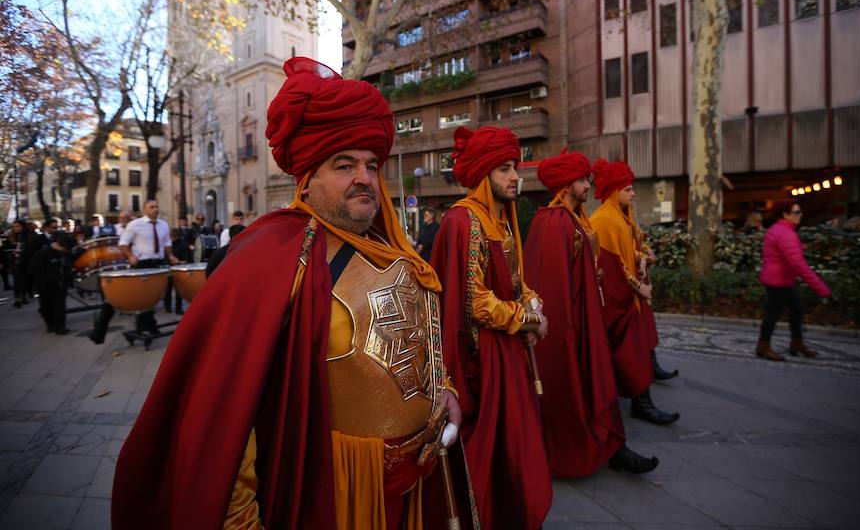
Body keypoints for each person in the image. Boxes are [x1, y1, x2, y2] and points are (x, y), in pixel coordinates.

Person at [112, 57, 469, 530]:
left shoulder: (392, 251)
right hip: (334, 494)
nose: (364, 178)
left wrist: (442, 390)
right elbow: (225, 416)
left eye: (371, 165)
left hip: (417, 482)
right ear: (306, 178)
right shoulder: (269, 260)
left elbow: (417, 344)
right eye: (344, 165)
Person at [429, 125, 552, 530]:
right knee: (493, 449)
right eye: (503, 168)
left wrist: (534, 304)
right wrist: (530, 320)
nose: (515, 176)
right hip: (482, 361)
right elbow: (475, 302)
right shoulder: (464, 222)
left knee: (515, 447)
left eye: (514, 167)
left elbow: (516, 282)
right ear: (483, 174)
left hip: (509, 351)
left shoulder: (501, 219)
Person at [525, 149, 659, 476]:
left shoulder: (576, 218)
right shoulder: (553, 222)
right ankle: (591, 450)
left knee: (599, 383)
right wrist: (569, 333)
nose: (588, 186)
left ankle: (614, 447)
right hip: (571, 327)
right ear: (567, 183)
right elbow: (554, 286)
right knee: (576, 388)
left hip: (588, 320)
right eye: (583, 180)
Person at [590, 160, 680, 425]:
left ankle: (641, 400)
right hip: (620, 301)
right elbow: (613, 265)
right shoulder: (604, 219)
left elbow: (627, 253)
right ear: (615, 190)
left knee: (634, 353)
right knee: (629, 355)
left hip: (631, 298)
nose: (633, 193)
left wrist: (643, 256)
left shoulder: (620, 215)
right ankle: (640, 404)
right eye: (628, 188)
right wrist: (638, 286)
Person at [89, 201, 179, 344]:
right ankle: (146, 325)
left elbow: (167, 244)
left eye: (157, 207)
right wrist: (131, 256)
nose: (156, 209)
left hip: (158, 264)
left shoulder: (163, 225)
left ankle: (148, 324)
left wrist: (171, 256)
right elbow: (123, 243)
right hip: (141, 264)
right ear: (144, 210)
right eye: (152, 207)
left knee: (151, 296)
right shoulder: (135, 225)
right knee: (133, 296)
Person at [756, 200, 831, 360]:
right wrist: (820, 287)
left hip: (782, 278)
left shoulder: (780, 230)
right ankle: (763, 346)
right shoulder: (785, 233)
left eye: (800, 212)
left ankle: (796, 343)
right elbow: (798, 264)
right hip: (778, 280)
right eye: (796, 212)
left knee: (797, 310)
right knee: (773, 314)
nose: (800, 215)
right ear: (785, 214)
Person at [28, 232, 76, 334]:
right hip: (44, 285)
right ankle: (50, 325)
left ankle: (60, 326)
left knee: (60, 306)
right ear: (59, 245)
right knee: (46, 306)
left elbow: (70, 260)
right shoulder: (42, 253)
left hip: (60, 284)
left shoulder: (64, 253)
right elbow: (32, 269)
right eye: (65, 249)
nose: (66, 251)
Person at [8, 219, 37, 307]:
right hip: (15, 262)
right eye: (14, 227)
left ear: (23, 227)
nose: (15, 228)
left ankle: (24, 296)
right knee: (17, 280)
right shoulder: (10, 237)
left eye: (18, 226)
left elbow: (32, 249)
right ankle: (17, 298)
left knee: (25, 280)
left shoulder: (29, 236)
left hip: (26, 261)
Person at [163, 227, 191, 316]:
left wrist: (178, 261)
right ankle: (168, 306)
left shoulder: (183, 245)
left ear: (177, 236)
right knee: (168, 289)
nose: (171, 239)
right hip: (168, 268)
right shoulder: (167, 245)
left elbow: (186, 260)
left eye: (173, 237)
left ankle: (178, 308)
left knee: (178, 290)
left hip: (178, 269)